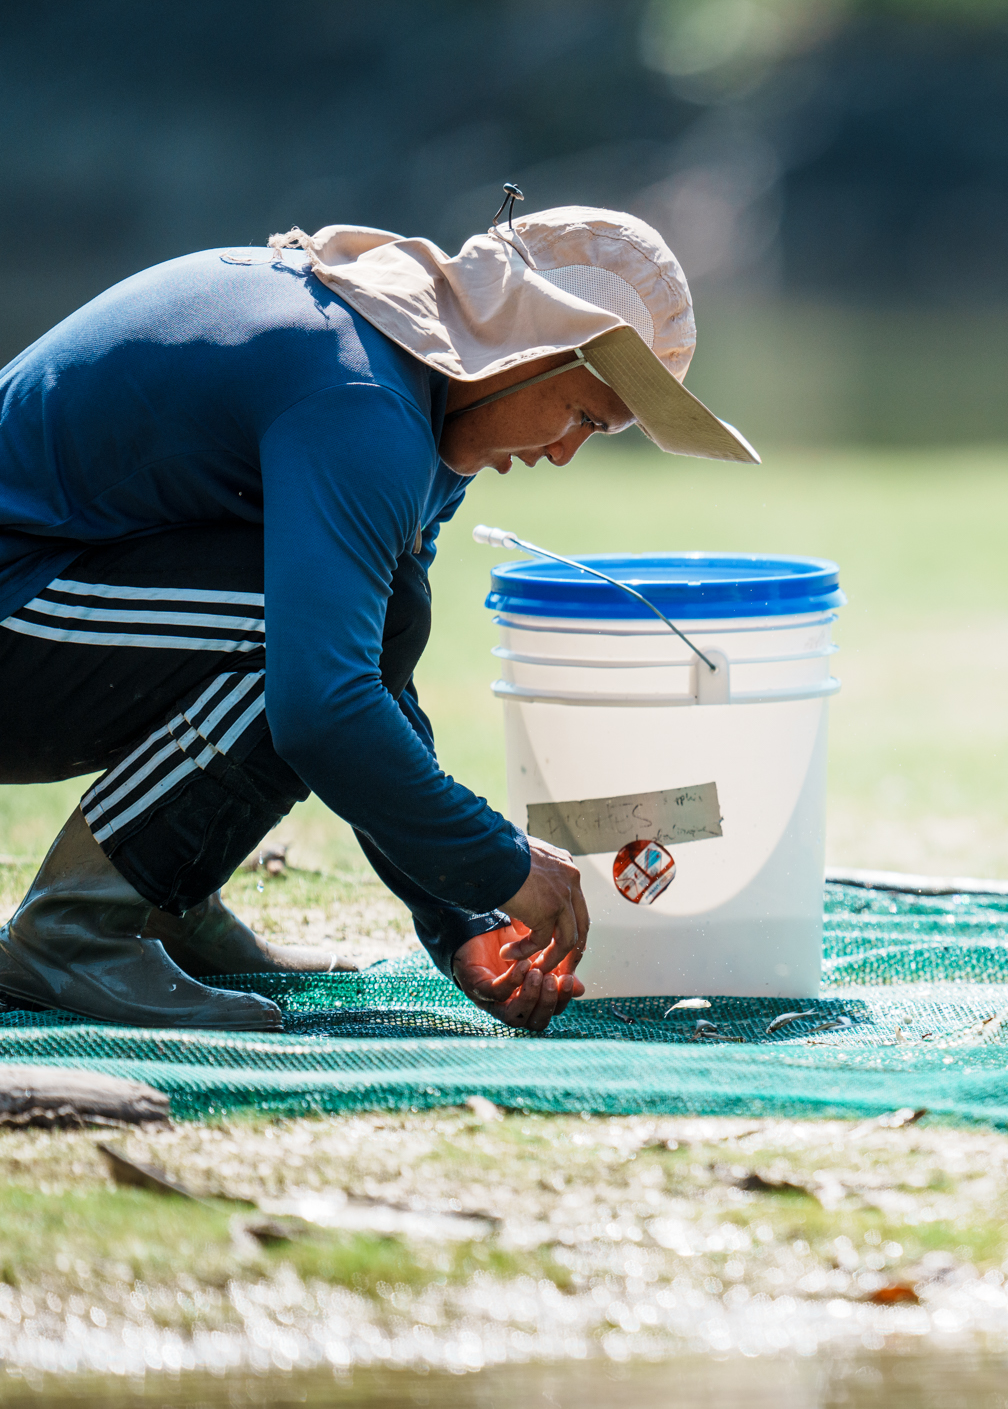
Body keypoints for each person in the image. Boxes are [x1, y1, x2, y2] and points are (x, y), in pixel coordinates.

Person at [0, 199, 757, 1034]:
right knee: (305, 648)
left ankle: (161, 905)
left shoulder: (419, 391)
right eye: (580, 414)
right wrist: (500, 864)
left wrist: (464, 922)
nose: (565, 453)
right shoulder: (360, 393)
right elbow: (326, 707)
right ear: (530, 350)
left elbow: (375, 670)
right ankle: (76, 928)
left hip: (47, 610)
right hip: (19, 603)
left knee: (374, 623)